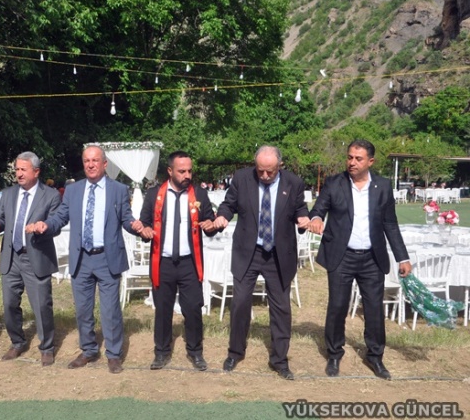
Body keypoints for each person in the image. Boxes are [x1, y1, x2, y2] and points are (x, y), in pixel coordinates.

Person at [31, 145, 142, 374]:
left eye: (95, 160)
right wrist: (46, 225)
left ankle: (113, 354)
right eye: (86, 161)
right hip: (81, 258)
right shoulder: (73, 190)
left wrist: (136, 226)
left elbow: (126, 218)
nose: (90, 165)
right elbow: (60, 217)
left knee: (110, 310)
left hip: (107, 258)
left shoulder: (118, 190)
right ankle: (89, 349)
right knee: (82, 309)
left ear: (104, 164)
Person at [308, 139, 411, 380]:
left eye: (358, 159)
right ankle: (334, 354)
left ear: (370, 161)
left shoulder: (382, 186)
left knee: (374, 309)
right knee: (337, 307)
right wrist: (316, 219)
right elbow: (318, 208)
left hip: (372, 258)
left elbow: (390, 223)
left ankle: (375, 357)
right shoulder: (335, 183)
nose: (352, 162)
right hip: (341, 256)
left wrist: (402, 257)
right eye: (349, 157)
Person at [213, 145, 309, 380]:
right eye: (260, 171)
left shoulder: (293, 183)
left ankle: (280, 360)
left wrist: (303, 218)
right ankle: (235, 352)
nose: (265, 176)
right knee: (240, 303)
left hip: (278, 254)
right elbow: (229, 203)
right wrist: (223, 215)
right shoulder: (242, 178)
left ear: (280, 166)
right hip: (249, 251)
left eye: (270, 171)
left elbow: (300, 208)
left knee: (281, 308)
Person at [138, 151, 217, 371]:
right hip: (162, 261)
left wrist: (210, 226)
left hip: (189, 262)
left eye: (189, 171)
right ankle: (161, 352)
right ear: (170, 171)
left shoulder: (199, 193)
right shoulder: (154, 194)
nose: (187, 175)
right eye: (182, 171)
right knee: (163, 309)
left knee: (193, 308)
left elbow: (209, 222)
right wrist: (144, 231)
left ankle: (195, 351)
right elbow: (144, 223)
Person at [0, 152, 60, 366]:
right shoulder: (8, 194)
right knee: (9, 304)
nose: (19, 174)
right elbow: (2, 218)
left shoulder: (51, 195)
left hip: (36, 256)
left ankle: (47, 347)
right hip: (11, 257)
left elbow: (55, 223)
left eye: (23, 169)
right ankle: (17, 342)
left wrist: (44, 227)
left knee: (41, 305)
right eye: (17, 169)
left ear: (36, 172)